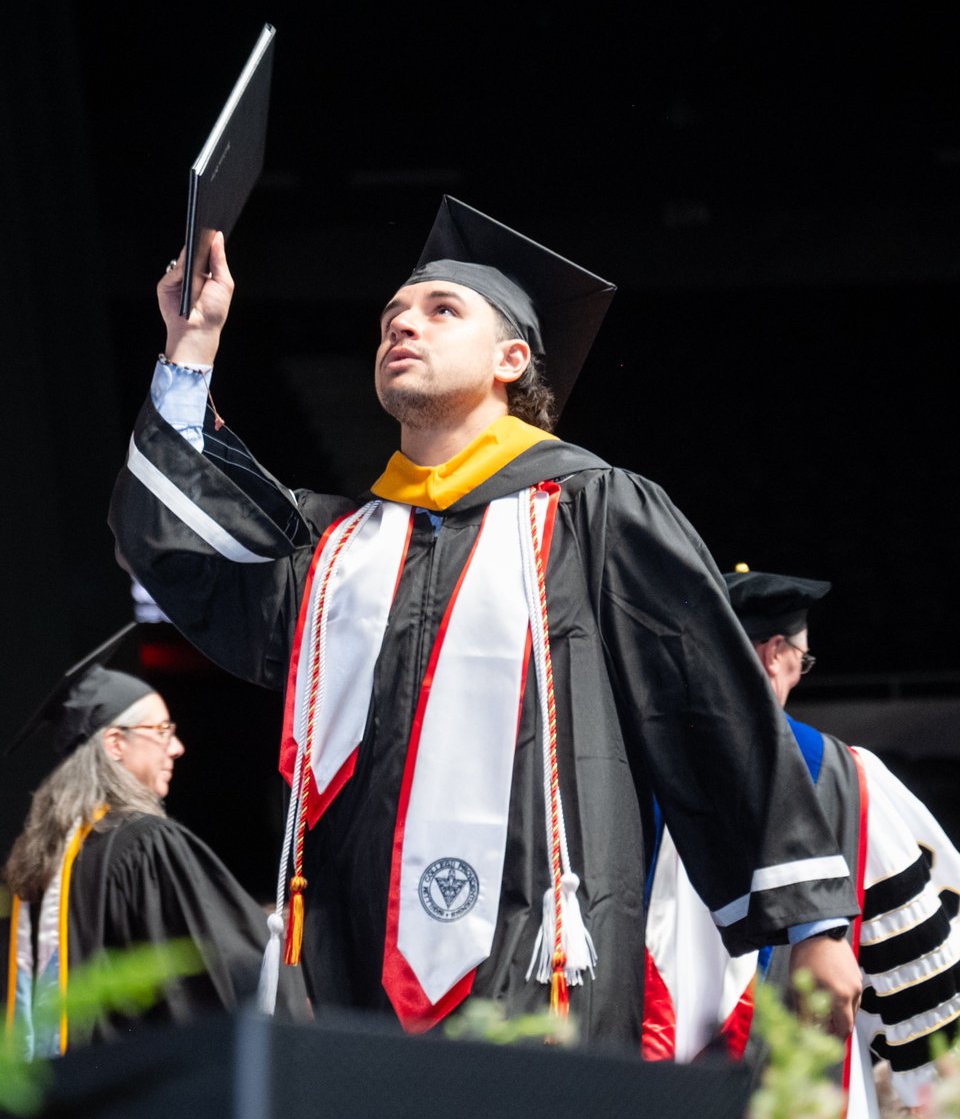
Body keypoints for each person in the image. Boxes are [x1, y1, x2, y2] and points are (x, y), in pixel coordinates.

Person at [107, 195, 861, 1045]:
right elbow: (176, 539)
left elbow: (709, 702)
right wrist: (192, 345)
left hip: (541, 955)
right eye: (391, 315)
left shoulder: (593, 513)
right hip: (355, 973)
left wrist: (814, 928)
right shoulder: (337, 547)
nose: (402, 325)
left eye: (440, 309)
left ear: (511, 357)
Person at [643, 567, 960, 1116]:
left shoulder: (626, 767)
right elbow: (925, 993)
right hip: (796, 1095)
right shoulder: (846, 777)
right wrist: (927, 1090)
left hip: (630, 1082)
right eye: (803, 660)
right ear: (772, 654)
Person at [1, 624, 308, 1058]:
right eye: (162, 730)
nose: (177, 746)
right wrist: (280, 933)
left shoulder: (42, 864)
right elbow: (223, 964)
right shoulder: (145, 844)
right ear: (115, 744)